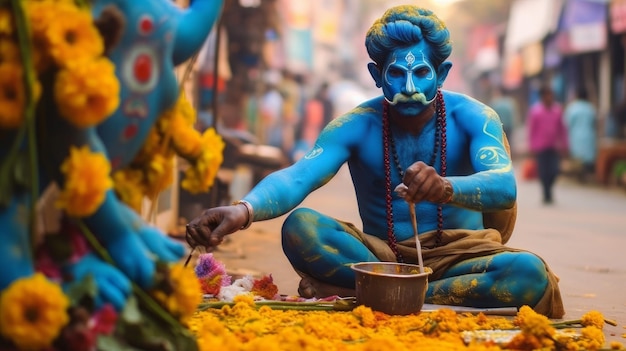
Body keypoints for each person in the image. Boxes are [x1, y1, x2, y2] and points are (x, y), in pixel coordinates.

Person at [187, 5, 564, 318]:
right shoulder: (355, 125)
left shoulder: (475, 117)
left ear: (442, 74)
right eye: (397, 74)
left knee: (529, 274)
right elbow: (299, 176)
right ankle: (400, 292)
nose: (410, 88)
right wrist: (243, 211)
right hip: (383, 257)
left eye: (421, 73)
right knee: (301, 227)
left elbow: (504, 187)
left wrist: (446, 188)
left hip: (465, 256)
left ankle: (378, 295)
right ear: (377, 76)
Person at [527, 85, 569, 204]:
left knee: (554, 170)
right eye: (546, 95)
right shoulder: (535, 111)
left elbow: (562, 129)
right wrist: (531, 146)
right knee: (543, 171)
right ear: (542, 97)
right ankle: (546, 194)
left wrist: (565, 145)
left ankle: (549, 189)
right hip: (540, 147)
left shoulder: (558, 110)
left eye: (550, 95)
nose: (548, 97)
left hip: (554, 146)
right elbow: (532, 130)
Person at [563, 88, 597, 182]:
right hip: (588, 136)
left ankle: (579, 176)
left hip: (575, 136)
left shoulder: (573, 108)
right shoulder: (591, 108)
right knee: (587, 158)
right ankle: (585, 175)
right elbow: (594, 123)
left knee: (577, 158)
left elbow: (566, 123)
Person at [489, 85, 519, 153]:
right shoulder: (511, 102)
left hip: (499, 126)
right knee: (508, 143)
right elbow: (514, 115)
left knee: (501, 143)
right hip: (509, 126)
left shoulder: (495, 102)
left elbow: (492, 116)